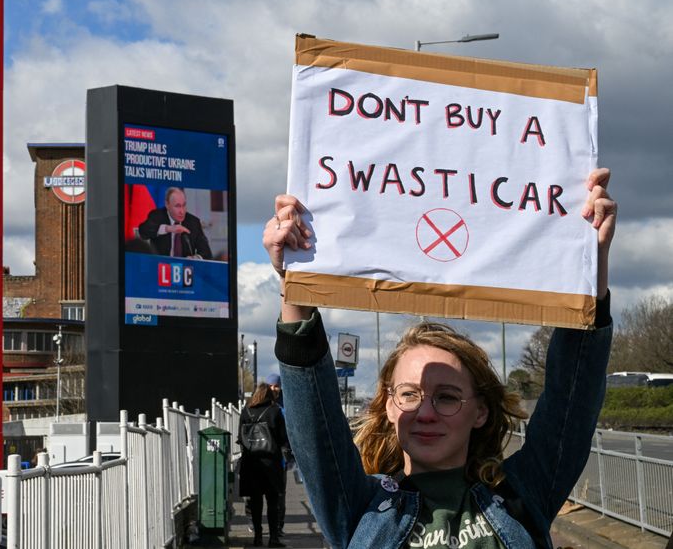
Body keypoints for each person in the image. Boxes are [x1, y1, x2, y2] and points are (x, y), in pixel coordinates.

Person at [261, 168, 617, 549]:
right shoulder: (360, 505)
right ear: (389, 407)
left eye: (447, 396)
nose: (425, 412)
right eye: (409, 394)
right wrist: (296, 279)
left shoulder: (523, 494)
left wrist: (587, 264)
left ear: (480, 411)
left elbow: (572, 400)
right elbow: (315, 422)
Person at [239, 382, 290, 547]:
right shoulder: (275, 411)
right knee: (272, 502)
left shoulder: (245, 411)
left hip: (251, 462)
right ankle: (274, 538)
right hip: (271, 463)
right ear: (269, 396)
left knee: (255, 501)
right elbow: (283, 438)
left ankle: (258, 537)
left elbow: (241, 438)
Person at [138, 187, 213, 259]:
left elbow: (207, 253)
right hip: (160, 266)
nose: (182, 211)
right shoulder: (157, 216)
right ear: (167, 205)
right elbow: (143, 232)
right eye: (177, 206)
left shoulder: (193, 222)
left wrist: (194, 258)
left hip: (185, 268)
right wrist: (168, 228)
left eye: (184, 205)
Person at [265, 373, 289, 537]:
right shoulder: (259, 405)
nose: (275, 388)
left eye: (277, 385)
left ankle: (278, 527)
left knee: (279, 494)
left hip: (279, 456)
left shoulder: (284, 406)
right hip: (262, 455)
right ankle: (257, 527)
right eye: (272, 385)